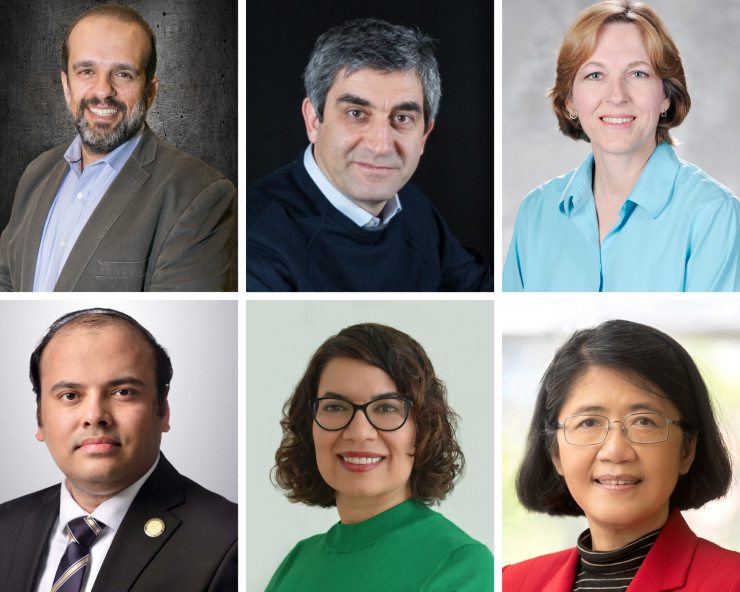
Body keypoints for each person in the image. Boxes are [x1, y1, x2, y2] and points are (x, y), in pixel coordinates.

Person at [503, 0, 740, 292]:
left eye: (637, 73)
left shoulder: (713, 214)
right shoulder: (535, 213)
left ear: (665, 94)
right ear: (570, 100)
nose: (617, 96)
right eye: (595, 75)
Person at [0, 5, 235, 292]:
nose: (102, 91)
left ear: (149, 92)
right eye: (86, 71)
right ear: (66, 85)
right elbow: (6, 282)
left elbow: (175, 327)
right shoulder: (36, 173)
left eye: (123, 74)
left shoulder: (199, 194)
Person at [247, 19, 493, 292]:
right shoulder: (256, 240)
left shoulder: (414, 208)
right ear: (314, 121)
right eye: (356, 113)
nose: (381, 145)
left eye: (402, 118)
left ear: (424, 135)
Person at [0, 308, 237, 591]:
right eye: (70, 395)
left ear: (164, 410)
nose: (95, 415)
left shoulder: (229, 540)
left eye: (123, 391)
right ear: (40, 419)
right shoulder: (5, 525)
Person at [503, 319, 740, 591]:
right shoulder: (510, 582)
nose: (615, 451)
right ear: (555, 453)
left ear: (687, 450)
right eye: (589, 423)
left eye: (643, 422)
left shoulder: (732, 581)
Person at [266, 323, 494, 590]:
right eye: (335, 407)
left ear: (423, 428)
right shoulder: (297, 561)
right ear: (310, 427)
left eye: (386, 407)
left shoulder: (461, 564)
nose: (359, 432)